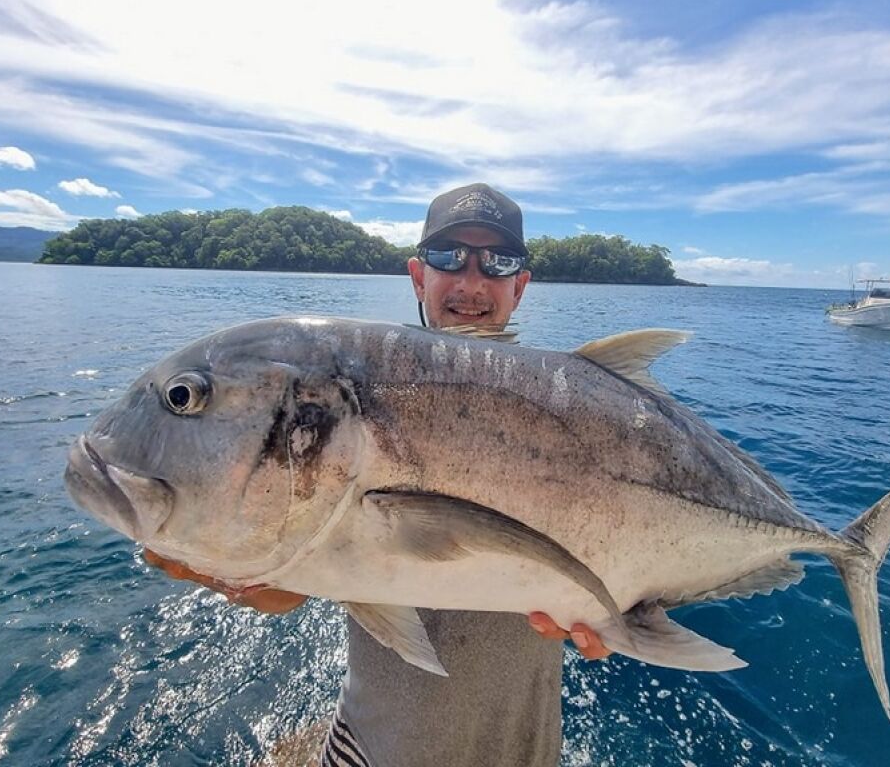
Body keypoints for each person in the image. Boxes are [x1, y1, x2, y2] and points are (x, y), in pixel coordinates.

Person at [236, 184, 610, 767]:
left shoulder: (575, 418)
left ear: (520, 286)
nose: (471, 282)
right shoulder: (360, 399)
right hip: (373, 749)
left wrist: (614, 620)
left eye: (497, 262)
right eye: (448, 257)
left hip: (528, 748)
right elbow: (293, 585)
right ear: (418, 276)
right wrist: (240, 573)